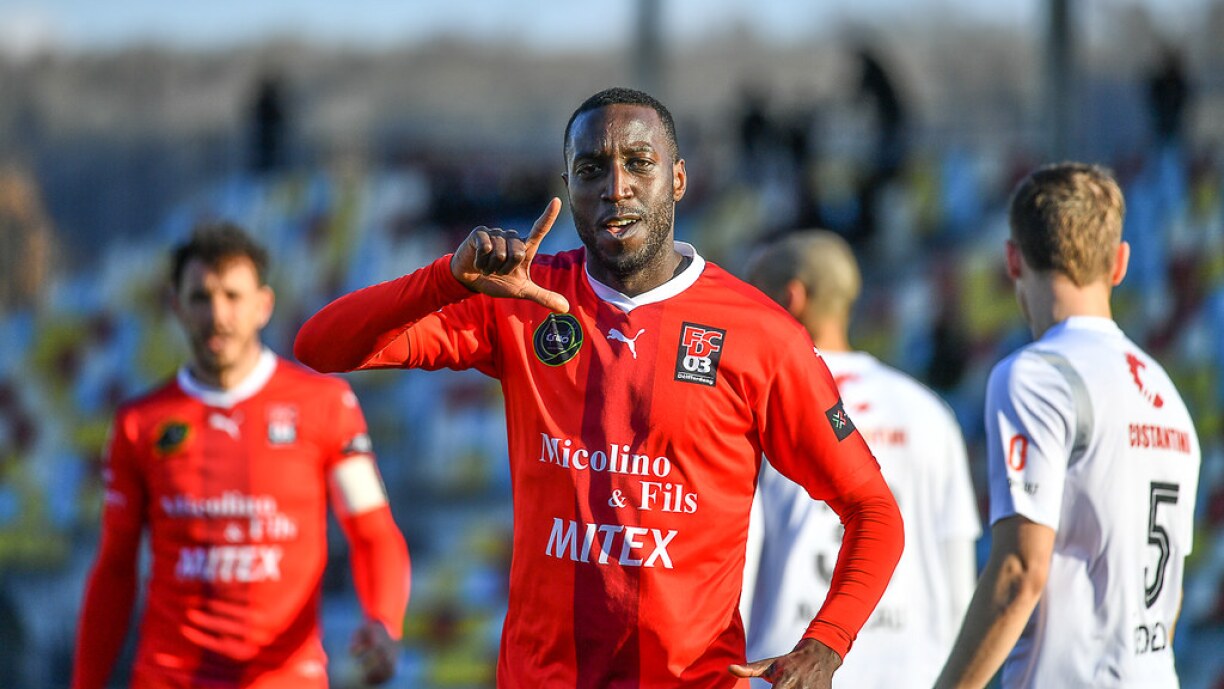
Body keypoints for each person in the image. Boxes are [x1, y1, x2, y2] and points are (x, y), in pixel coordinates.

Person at [294, 87, 904, 689]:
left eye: (639, 163)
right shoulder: (519, 299)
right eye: (591, 169)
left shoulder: (759, 334)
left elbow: (874, 511)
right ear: (568, 185)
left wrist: (825, 644)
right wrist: (445, 280)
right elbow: (320, 347)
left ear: (680, 179)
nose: (617, 187)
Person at [72, 223, 411, 689]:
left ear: (263, 305)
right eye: (200, 298)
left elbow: (373, 532)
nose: (218, 315)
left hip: (285, 678)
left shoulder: (325, 405)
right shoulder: (140, 424)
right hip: (169, 677)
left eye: (232, 296)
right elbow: (114, 567)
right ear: (176, 306)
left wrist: (384, 622)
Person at [933, 163, 1202, 689]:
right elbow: (1172, 592)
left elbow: (1018, 574)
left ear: (1013, 259)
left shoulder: (1035, 375)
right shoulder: (1167, 394)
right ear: (1120, 263)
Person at [740, 230, 980, 688]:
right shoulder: (928, 412)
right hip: (913, 671)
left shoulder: (763, 405)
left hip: (786, 667)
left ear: (791, 298)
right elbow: (957, 573)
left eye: (753, 297)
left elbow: (740, 554)